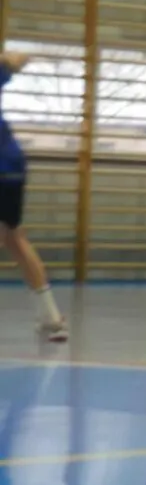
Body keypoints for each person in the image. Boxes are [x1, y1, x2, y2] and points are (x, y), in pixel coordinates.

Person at [0, 52, 67, 342]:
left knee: (13, 238)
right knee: (15, 238)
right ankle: (51, 318)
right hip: (13, 165)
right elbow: (16, 58)